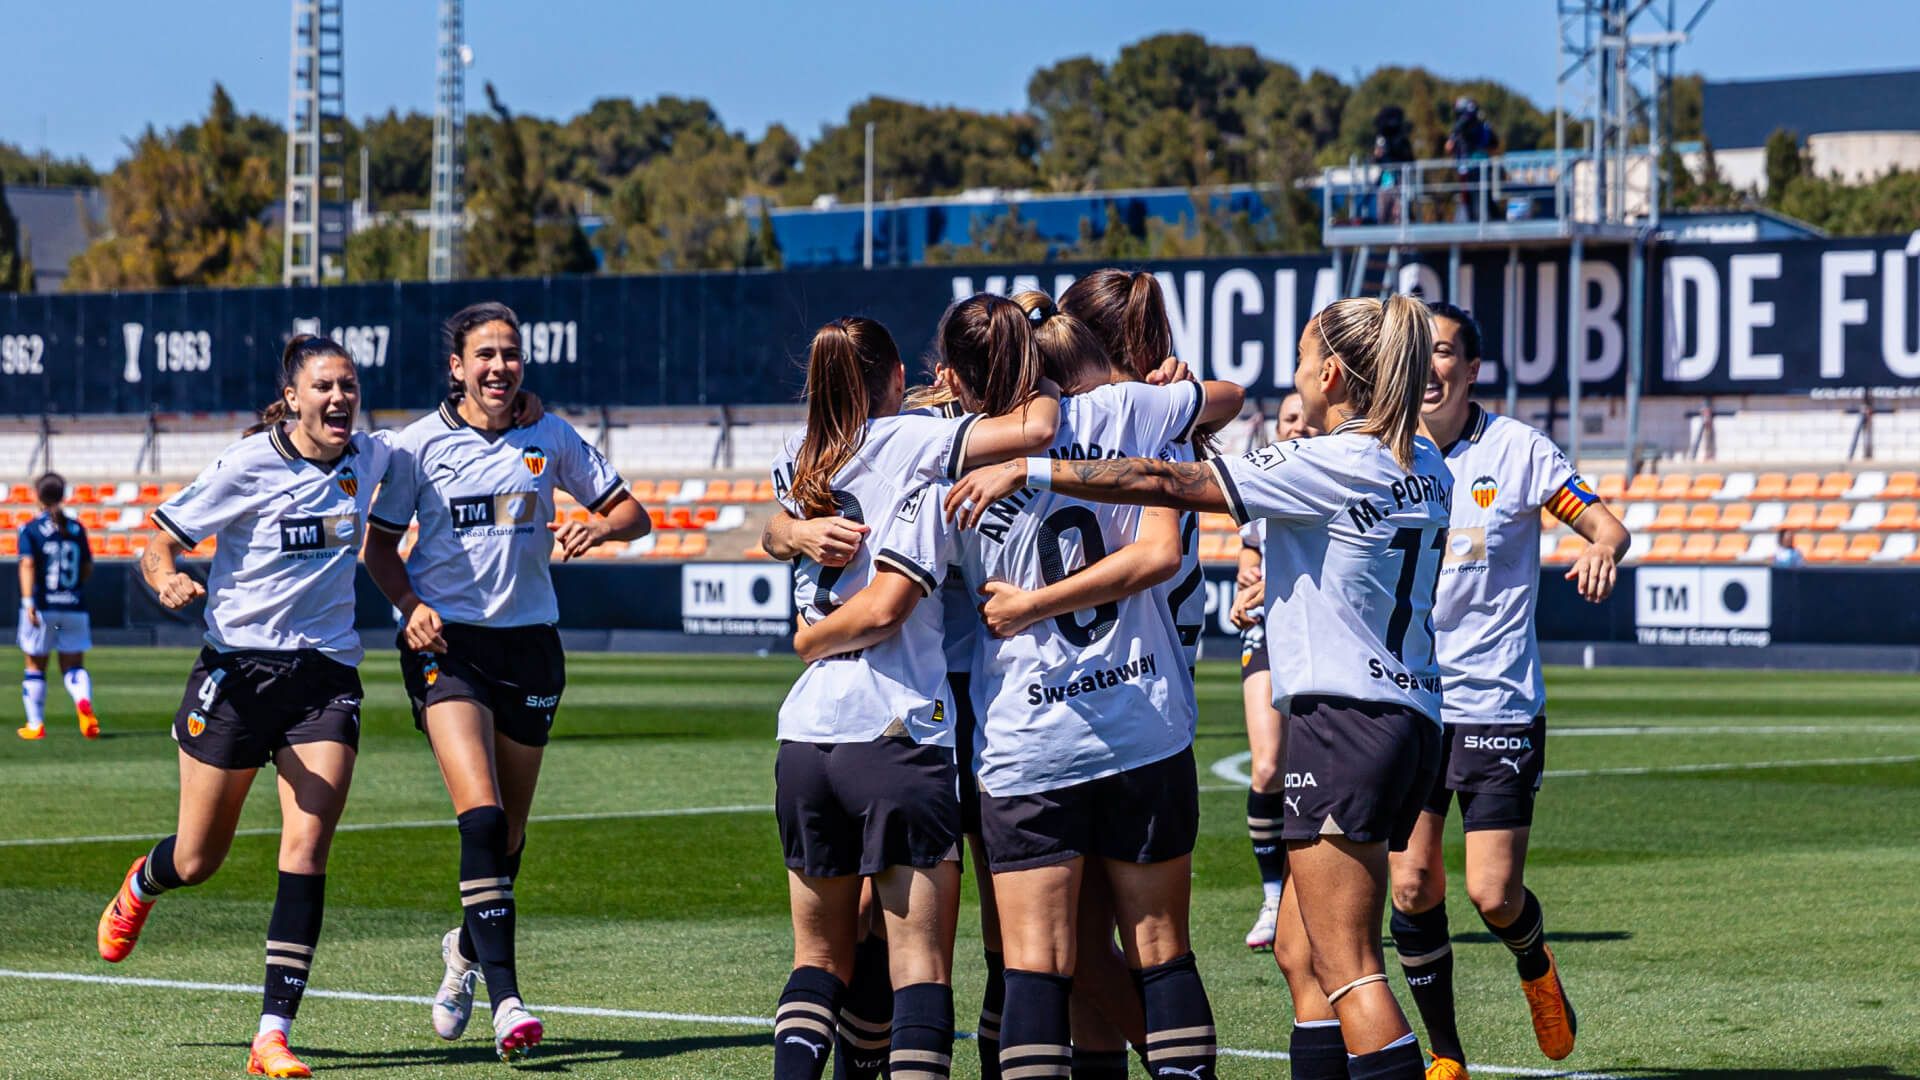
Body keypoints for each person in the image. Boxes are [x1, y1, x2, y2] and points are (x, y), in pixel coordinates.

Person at [948, 293, 1452, 1080]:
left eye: (1296, 358)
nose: (1288, 377)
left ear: (1329, 373)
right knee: (1298, 951)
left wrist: (1031, 463)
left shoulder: (1324, 460)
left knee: (1350, 968)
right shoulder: (1427, 463)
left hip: (1342, 719)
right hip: (1415, 713)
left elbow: (1168, 480)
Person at [934, 293, 1243, 1080]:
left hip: (1029, 736)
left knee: (1037, 966)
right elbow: (1230, 399)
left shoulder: (953, 444)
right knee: (1162, 952)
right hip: (1140, 717)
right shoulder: (1132, 406)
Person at [761, 307, 1064, 1080]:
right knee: (923, 968)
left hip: (805, 731)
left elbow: (773, 530)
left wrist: (791, 543)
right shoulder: (916, 444)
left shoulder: (799, 457)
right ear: (900, 378)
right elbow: (1033, 431)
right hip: (901, 723)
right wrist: (1042, 366)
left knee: (819, 959)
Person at [93, 334, 392, 1078]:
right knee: (198, 858)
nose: (339, 399)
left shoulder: (374, 457)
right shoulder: (249, 462)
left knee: (307, 848)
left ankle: (271, 1034)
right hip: (235, 677)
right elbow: (156, 541)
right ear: (292, 397)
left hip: (323, 679)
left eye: (349, 385)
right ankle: (143, 883)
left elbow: (456, 426)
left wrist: (518, 404)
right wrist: (166, 581)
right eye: (324, 386)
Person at [361, 301, 651, 1063]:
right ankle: (508, 1000)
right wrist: (409, 606)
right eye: (484, 355)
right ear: (456, 367)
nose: (499, 367)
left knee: (510, 837)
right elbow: (379, 549)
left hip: (530, 649)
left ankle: (463, 951)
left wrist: (602, 525)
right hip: (446, 647)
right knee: (483, 818)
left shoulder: (547, 435)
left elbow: (635, 514)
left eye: (510, 355)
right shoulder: (416, 447)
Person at [1387, 303, 1630, 1079]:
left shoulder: (1518, 450)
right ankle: (1446, 1054)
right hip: (1415, 701)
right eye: (1419, 353)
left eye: (1446, 353)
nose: (1431, 368)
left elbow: (1605, 525)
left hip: (1497, 703)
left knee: (1493, 895)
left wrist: (1601, 549)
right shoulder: (1383, 452)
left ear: (1472, 368)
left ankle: (1534, 963)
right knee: (1414, 883)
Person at [1228, 390, 1315, 950]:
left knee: (1316, 777)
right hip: (1268, 637)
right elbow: (1249, 560)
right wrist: (1244, 593)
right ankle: (1272, 895)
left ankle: (1316, 898)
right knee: (1266, 769)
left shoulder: (1337, 479)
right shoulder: (1263, 486)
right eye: (1289, 419)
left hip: (1319, 643)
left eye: (1307, 419)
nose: (1299, 428)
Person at [16, 471, 100, 740]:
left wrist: (28, 601)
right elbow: (86, 566)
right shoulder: (76, 528)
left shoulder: (30, 529)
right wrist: (72, 588)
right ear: (63, 495)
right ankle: (83, 702)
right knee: (74, 665)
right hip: (74, 605)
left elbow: (27, 563)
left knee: (35, 666)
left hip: (43, 607)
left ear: (37, 495)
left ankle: (35, 724)